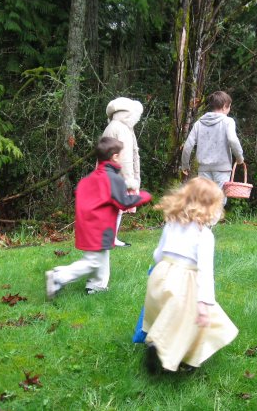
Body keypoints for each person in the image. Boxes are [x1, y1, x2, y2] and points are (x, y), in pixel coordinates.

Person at [142, 177, 238, 373]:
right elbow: (205, 272)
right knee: (190, 321)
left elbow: (158, 253)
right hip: (184, 282)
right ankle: (164, 350)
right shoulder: (204, 235)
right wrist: (204, 304)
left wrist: (161, 269)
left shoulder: (171, 223)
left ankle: (162, 345)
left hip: (161, 274)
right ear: (210, 207)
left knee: (170, 316)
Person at [45, 137, 152, 299]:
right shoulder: (113, 179)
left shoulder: (88, 179)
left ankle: (96, 285)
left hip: (86, 225)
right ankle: (58, 277)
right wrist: (143, 196)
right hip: (100, 227)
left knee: (101, 256)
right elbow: (123, 203)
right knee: (93, 261)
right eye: (121, 155)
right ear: (115, 157)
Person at [181, 91, 244, 196]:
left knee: (205, 202)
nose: (229, 109)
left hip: (203, 169)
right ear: (224, 107)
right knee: (218, 202)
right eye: (229, 107)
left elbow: (187, 146)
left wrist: (185, 165)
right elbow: (233, 140)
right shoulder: (228, 122)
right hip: (222, 169)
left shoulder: (199, 123)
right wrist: (239, 158)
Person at [102, 97, 143, 247]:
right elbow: (125, 158)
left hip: (107, 173)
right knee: (116, 208)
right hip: (118, 175)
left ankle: (110, 237)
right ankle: (111, 238)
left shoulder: (112, 126)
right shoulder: (122, 129)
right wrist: (129, 181)